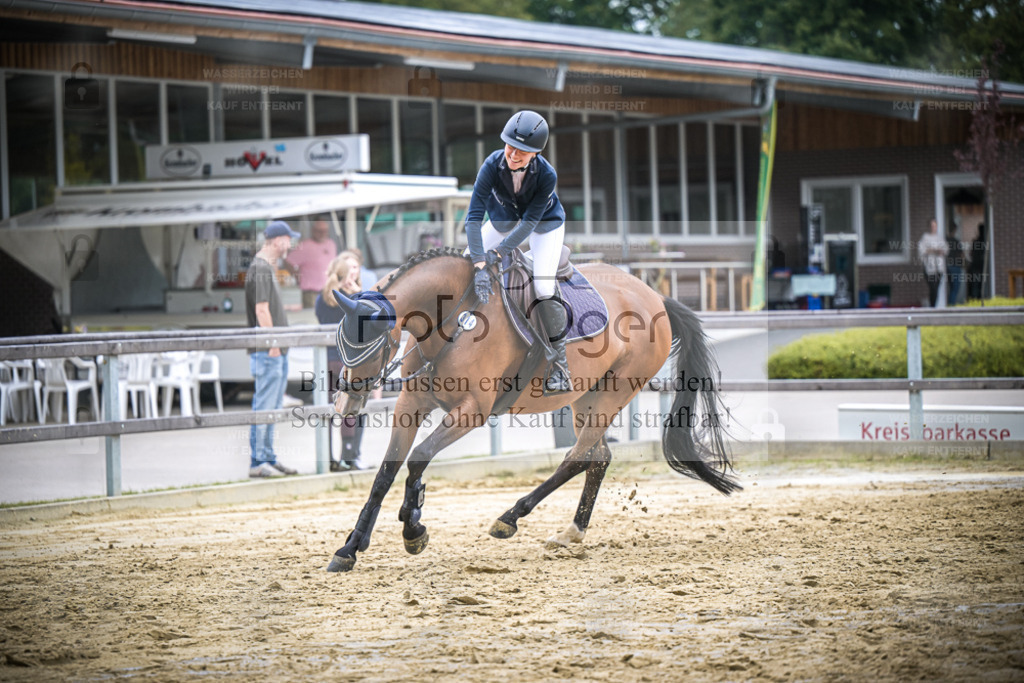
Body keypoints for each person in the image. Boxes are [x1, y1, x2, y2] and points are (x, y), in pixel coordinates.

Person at [464, 110, 571, 394]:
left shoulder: (547, 175)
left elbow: (530, 224)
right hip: (502, 221)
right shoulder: (490, 165)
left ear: (535, 153)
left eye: (522, 151)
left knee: (544, 286)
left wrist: (497, 255)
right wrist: (477, 264)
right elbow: (474, 217)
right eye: (510, 146)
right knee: (463, 260)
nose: (513, 154)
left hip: (544, 227)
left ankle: (560, 366)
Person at [244, 221, 300, 478]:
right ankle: (258, 461)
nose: (290, 245)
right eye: (288, 239)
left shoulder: (265, 267)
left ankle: (267, 457)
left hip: (272, 350)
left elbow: (267, 308)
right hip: (268, 351)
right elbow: (261, 310)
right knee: (264, 405)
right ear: (278, 240)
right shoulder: (260, 268)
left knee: (272, 406)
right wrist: (273, 343)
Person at [314, 255, 367, 471]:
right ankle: (348, 457)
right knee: (351, 410)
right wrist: (356, 293)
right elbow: (366, 316)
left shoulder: (323, 297)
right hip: (349, 361)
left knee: (328, 410)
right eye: (351, 268)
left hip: (327, 359)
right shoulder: (352, 297)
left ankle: (328, 459)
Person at [283, 219, 337, 309]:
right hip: (311, 293)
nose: (322, 233)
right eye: (319, 231)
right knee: (313, 319)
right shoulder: (305, 245)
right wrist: (297, 275)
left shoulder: (331, 244)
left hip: (329, 291)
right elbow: (287, 261)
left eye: (324, 231)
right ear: (313, 231)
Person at [917, 218, 948, 308]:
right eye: (931, 226)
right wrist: (932, 250)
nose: (933, 227)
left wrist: (940, 251)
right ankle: (932, 306)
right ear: (929, 227)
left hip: (939, 268)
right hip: (929, 268)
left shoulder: (940, 238)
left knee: (936, 288)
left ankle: (933, 306)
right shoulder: (925, 237)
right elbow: (921, 251)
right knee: (933, 287)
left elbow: (945, 250)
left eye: (935, 226)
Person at [967, 223, 988, 300]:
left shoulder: (976, 241)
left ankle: (975, 301)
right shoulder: (984, 241)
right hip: (980, 265)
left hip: (976, 265)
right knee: (980, 284)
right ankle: (979, 300)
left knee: (975, 284)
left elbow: (971, 253)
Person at [946, 227, 965, 306]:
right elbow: (961, 255)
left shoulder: (945, 241)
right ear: (954, 231)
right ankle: (951, 305)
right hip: (955, 266)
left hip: (948, 266)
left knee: (951, 287)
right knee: (955, 288)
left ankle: (950, 303)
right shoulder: (956, 242)